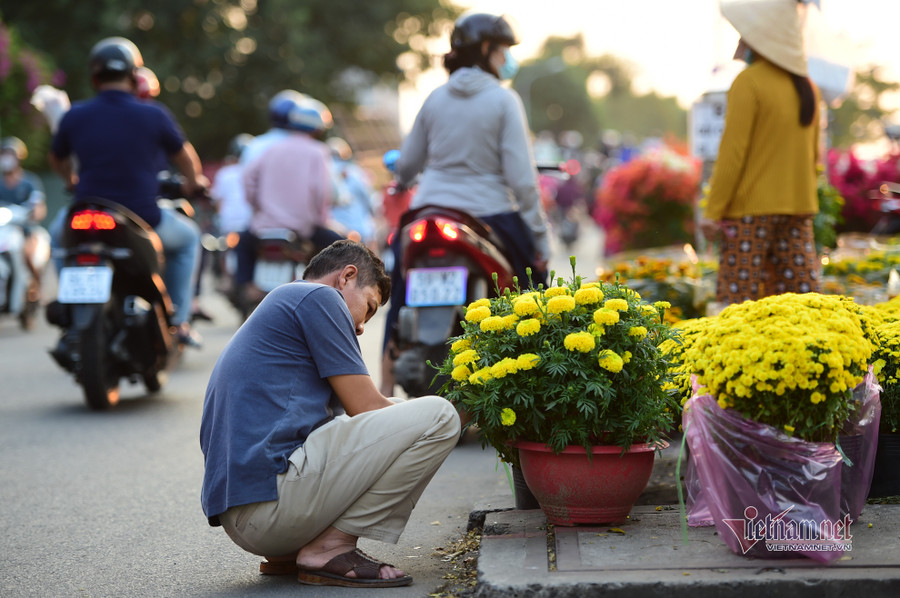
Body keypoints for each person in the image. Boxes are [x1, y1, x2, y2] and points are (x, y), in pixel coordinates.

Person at [200, 239, 460, 588]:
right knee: (440, 417)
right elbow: (366, 408)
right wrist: (465, 411)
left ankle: (304, 546)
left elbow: (359, 420)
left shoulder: (284, 302)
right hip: (269, 508)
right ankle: (330, 546)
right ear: (346, 277)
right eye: (368, 307)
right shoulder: (317, 298)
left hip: (249, 517)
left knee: (408, 414)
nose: (362, 327)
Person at [381, 11, 551, 394]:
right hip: (489, 212)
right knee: (534, 292)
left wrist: (403, 180)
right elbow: (523, 182)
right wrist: (541, 241)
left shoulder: (434, 98)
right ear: (487, 49)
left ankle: (384, 386)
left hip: (428, 211)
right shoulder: (504, 100)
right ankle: (538, 388)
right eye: (503, 49)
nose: (506, 57)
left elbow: (407, 164)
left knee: (400, 290)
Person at [49, 37, 207, 347]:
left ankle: (71, 305)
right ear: (135, 76)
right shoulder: (154, 114)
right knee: (189, 239)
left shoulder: (75, 115)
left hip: (85, 212)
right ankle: (178, 319)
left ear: (95, 78)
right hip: (143, 218)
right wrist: (193, 182)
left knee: (57, 238)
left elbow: (57, 157)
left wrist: (71, 179)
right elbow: (185, 157)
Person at [699, 0, 820, 306]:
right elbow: (814, 158)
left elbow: (732, 156)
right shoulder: (808, 88)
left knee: (737, 309)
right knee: (802, 307)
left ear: (761, 40)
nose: (740, 42)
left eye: (744, 35)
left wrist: (713, 213)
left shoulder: (748, 83)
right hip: (798, 209)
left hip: (749, 214)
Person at [238, 91, 344, 301]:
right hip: (302, 228)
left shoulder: (272, 149)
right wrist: (320, 220)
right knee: (342, 248)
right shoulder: (318, 152)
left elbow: (248, 179)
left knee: (242, 243)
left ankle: (246, 286)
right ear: (317, 127)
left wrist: (257, 206)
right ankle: (330, 297)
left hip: (265, 227)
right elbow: (322, 191)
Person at [0, 136, 48, 320]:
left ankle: (35, 286)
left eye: (9, 154)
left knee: (28, 253)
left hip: (25, 229)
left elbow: (38, 205)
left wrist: (34, 213)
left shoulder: (29, 181)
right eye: (3, 154)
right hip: (4, 230)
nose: (6, 158)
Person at [327, 137, 378, 251]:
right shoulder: (355, 172)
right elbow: (368, 199)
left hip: (333, 229)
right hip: (358, 230)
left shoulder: (324, 170)